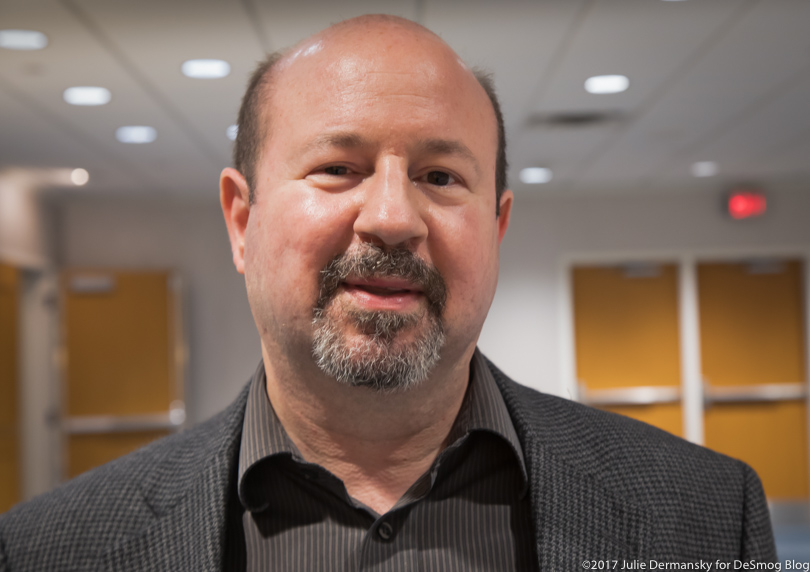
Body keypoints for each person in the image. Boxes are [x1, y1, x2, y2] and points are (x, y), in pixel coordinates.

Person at [0, 15, 776, 571]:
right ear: (243, 221)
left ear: (496, 226)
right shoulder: (49, 551)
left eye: (441, 177)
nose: (394, 217)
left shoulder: (705, 518)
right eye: (339, 168)